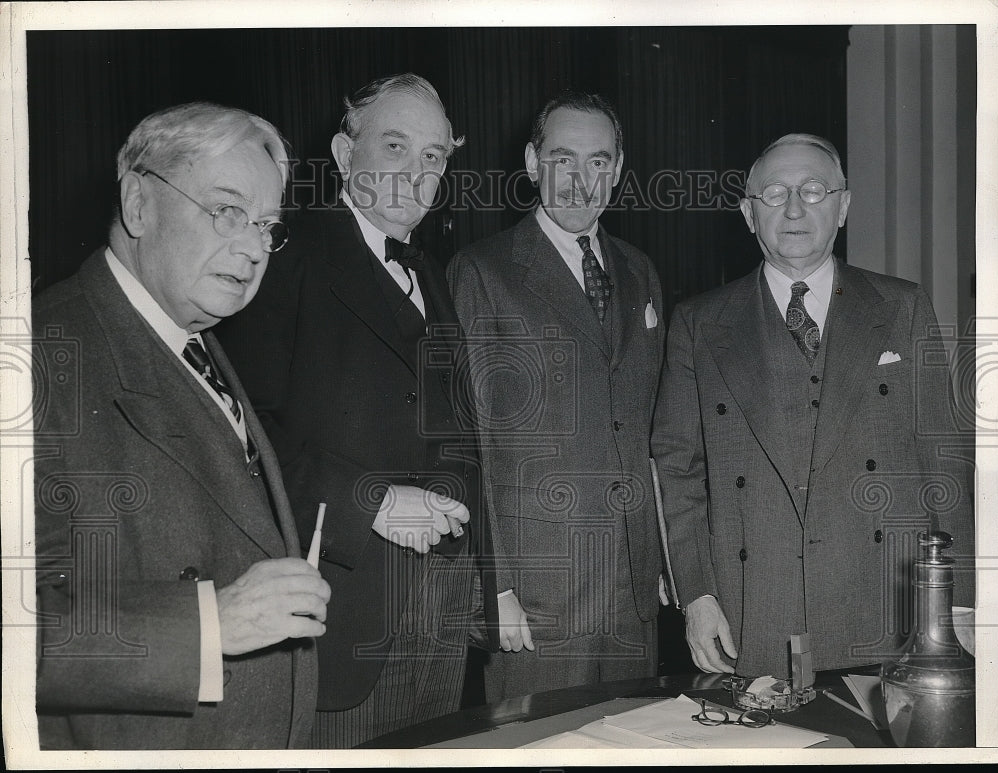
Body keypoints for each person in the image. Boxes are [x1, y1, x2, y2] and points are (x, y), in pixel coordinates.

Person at [33, 102, 330, 749]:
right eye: (227, 211)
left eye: (266, 226)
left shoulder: (195, 338)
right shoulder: (35, 358)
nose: (253, 248)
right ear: (139, 203)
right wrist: (209, 624)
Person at [214, 73, 499, 748]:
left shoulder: (431, 269)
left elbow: (455, 428)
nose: (417, 171)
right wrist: (371, 501)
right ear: (345, 155)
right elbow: (239, 434)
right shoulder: (282, 256)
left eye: (434, 156)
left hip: (439, 617)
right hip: (339, 623)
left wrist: (465, 538)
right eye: (395, 146)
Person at [651, 133, 975, 678]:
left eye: (814, 189)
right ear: (749, 215)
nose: (795, 208)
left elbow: (945, 462)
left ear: (843, 206)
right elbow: (676, 470)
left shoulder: (902, 306)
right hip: (752, 612)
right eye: (774, 193)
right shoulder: (699, 323)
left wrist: (961, 596)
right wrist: (697, 597)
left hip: (885, 606)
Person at [447, 91, 666, 701]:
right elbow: (474, 444)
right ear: (531, 161)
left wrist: (663, 562)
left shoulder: (640, 271)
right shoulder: (482, 272)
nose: (579, 182)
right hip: (539, 595)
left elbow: (651, 431)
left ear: (618, 170)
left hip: (632, 589)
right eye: (562, 159)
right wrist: (494, 588)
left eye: (598, 162)